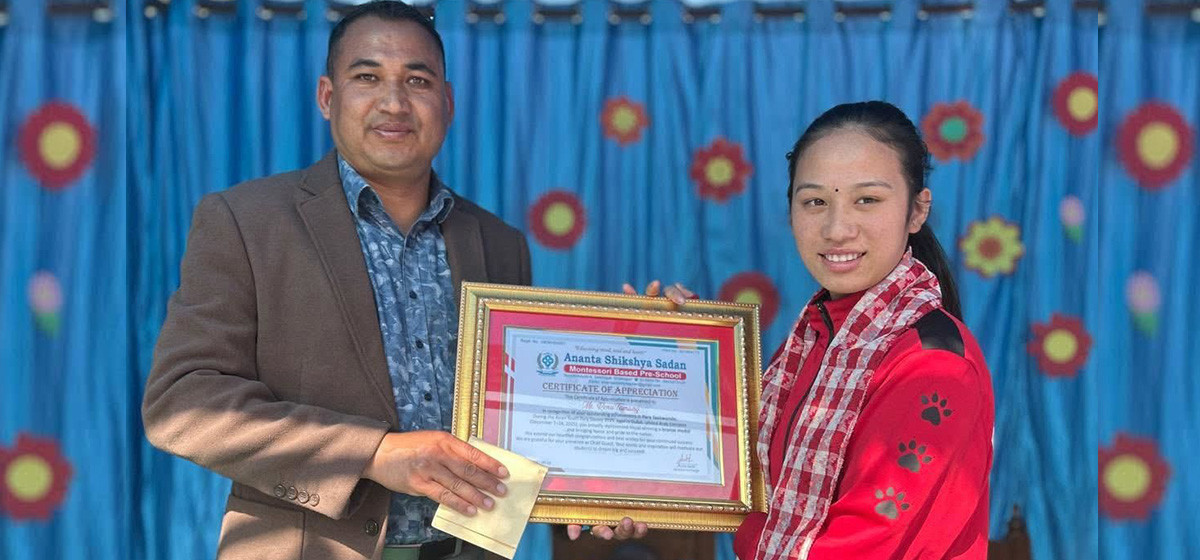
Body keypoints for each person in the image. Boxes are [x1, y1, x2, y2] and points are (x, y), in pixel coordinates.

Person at [142, 3, 550, 559]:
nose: (394, 102)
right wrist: (373, 453)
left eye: (417, 80)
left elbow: (527, 424)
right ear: (327, 96)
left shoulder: (500, 245)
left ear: (448, 102)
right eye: (367, 77)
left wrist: (618, 484)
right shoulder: (245, 222)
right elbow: (181, 403)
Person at [731, 101, 994, 559]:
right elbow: (748, 484)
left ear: (917, 210)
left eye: (867, 200)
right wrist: (679, 342)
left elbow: (863, 542)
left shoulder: (933, 364)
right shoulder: (809, 342)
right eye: (815, 202)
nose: (837, 229)